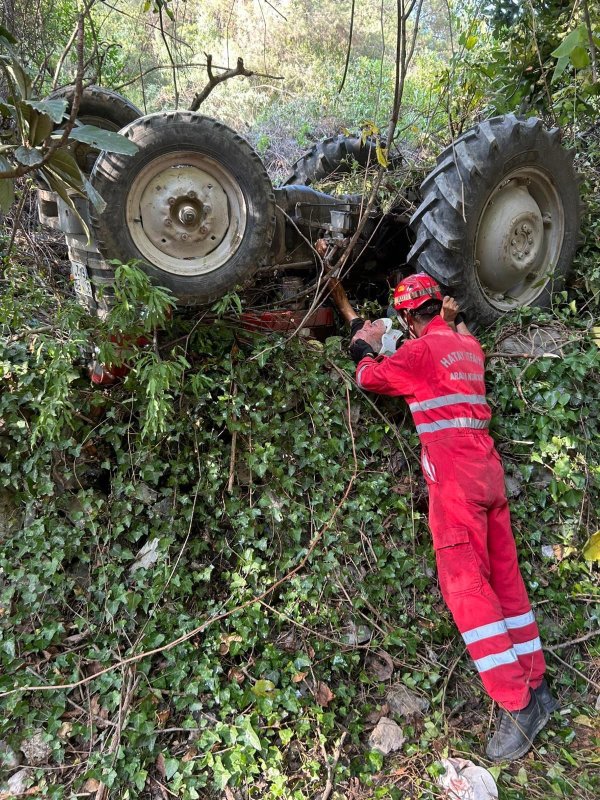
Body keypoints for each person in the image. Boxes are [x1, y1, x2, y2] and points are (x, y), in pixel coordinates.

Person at [346, 272, 557, 762]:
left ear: (406, 316)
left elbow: (370, 377)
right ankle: (539, 688)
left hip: (456, 481)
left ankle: (518, 704)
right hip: (488, 474)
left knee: (465, 589)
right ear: (439, 306)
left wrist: (365, 343)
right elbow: (459, 339)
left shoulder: (420, 353)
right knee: (506, 584)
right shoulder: (469, 349)